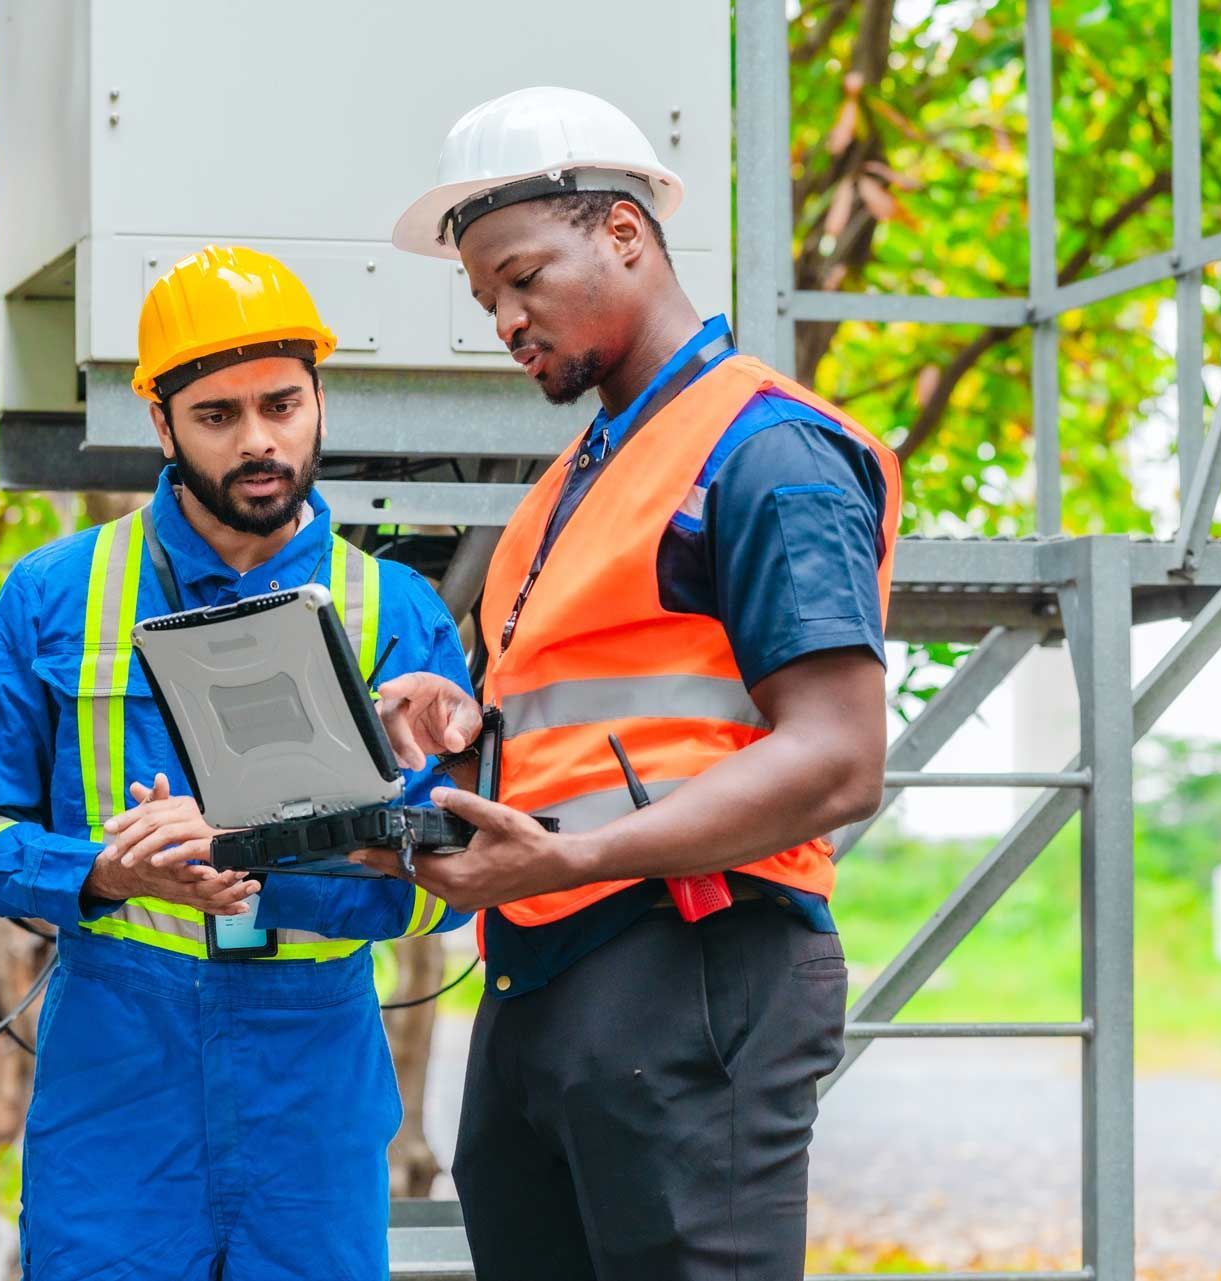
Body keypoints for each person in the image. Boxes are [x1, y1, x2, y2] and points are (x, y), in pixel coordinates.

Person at [358, 87, 903, 1280]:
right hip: (549, 971)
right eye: (486, 296)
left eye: (521, 276)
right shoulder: (573, 483)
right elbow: (593, 729)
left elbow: (840, 758)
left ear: (622, 232)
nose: (504, 318)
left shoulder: (766, 452)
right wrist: (460, 741)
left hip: (694, 967)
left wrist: (569, 860)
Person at [0, 244, 472, 1280]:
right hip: (122, 1053)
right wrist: (104, 871)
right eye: (218, 416)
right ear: (159, 422)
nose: (259, 441)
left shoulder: (397, 616)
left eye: (282, 404)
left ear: (318, 399)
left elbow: (450, 893)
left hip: (314, 1065)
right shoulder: (51, 594)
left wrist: (273, 874)